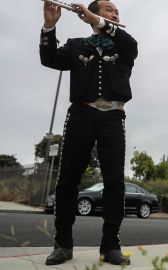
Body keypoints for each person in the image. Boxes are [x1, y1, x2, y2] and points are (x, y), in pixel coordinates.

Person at [40, 0, 137, 265]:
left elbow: (131, 46)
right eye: (109, 9)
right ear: (95, 10)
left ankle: (110, 246)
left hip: (113, 117)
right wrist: (49, 26)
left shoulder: (124, 43)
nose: (115, 13)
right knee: (68, 179)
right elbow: (49, 60)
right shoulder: (75, 44)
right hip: (81, 115)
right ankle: (62, 244)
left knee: (115, 181)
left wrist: (98, 20)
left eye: (117, 11)